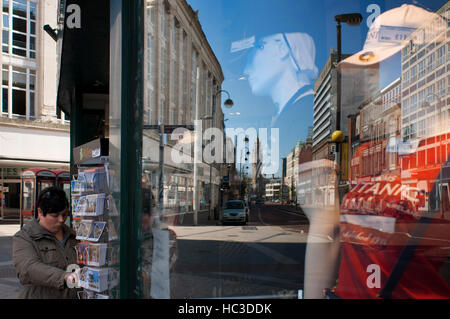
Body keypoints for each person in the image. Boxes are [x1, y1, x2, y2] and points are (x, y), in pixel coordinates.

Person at [13, 186, 80, 299]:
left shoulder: (73, 235)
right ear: (40, 212)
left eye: (64, 214)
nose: (61, 220)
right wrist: (64, 276)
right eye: (54, 216)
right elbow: (28, 269)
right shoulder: (24, 237)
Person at [243, 32, 318, 126]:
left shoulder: (304, 112)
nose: (245, 71)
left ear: (282, 48)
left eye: (251, 58)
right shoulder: (299, 110)